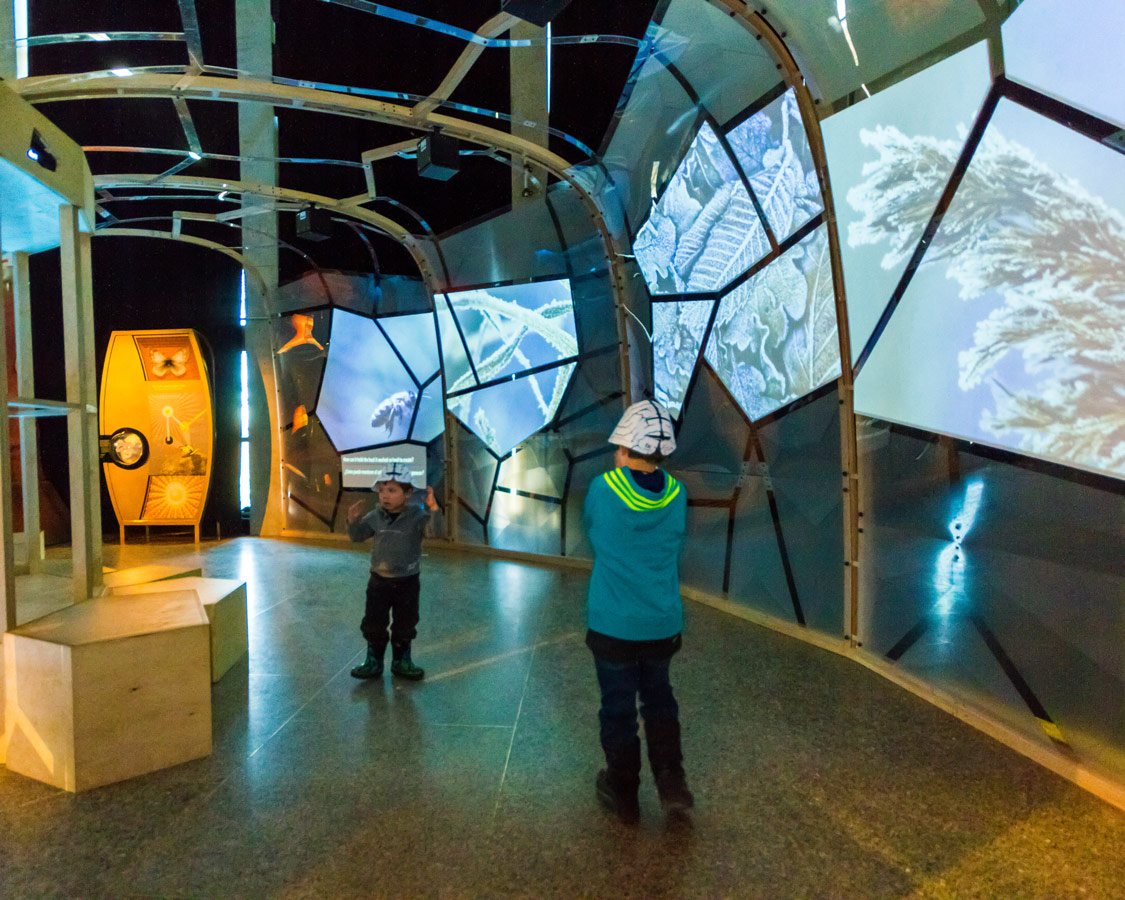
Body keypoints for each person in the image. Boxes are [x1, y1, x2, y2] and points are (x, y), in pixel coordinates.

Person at [583, 399, 693, 823]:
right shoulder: (678, 492)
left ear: (627, 448)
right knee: (660, 701)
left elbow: (594, 529)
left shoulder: (603, 488)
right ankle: (672, 783)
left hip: (612, 624)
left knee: (618, 707)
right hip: (661, 623)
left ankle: (623, 790)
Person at [347, 463, 442, 681]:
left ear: (407, 493)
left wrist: (433, 509)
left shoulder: (417, 517)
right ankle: (373, 660)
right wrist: (353, 521)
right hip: (379, 581)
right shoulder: (375, 516)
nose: (384, 496)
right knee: (374, 622)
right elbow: (358, 536)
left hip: (407, 581)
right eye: (381, 490)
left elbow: (435, 532)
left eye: (392, 490)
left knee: (405, 622)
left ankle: (402, 660)